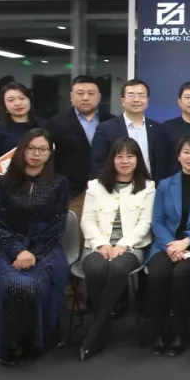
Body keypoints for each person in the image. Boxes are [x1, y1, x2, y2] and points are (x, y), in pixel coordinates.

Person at [0, 128, 69, 367]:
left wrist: (34, 253)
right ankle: (9, 346)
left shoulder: (59, 183)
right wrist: (18, 250)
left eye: (42, 149)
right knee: (12, 284)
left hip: (46, 246)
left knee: (35, 285)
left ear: (50, 153)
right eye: (31, 148)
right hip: (11, 246)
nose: (36, 154)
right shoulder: (2, 182)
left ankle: (35, 344)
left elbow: (57, 227)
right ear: (22, 150)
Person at [78, 137, 156, 361]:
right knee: (95, 268)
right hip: (98, 244)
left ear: (137, 160)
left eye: (130, 156)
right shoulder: (95, 186)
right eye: (119, 156)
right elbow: (87, 220)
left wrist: (123, 244)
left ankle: (96, 330)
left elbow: (145, 223)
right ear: (111, 159)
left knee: (119, 268)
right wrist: (101, 244)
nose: (124, 161)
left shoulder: (148, 187)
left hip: (131, 246)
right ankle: (104, 320)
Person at [47, 75, 113, 313]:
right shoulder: (55, 124)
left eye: (91, 93)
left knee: (103, 242)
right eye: (80, 93)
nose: (86, 98)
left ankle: (101, 296)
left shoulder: (111, 121)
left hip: (106, 191)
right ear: (71, 96)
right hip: (73, 192)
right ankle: (72, 296)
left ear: (99, 97)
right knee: (74, 243)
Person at [146, 134, 190, 356]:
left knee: (181, 275)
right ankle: (158, 332)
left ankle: (180, 333)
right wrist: (171, 245)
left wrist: (186, 241)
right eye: (186, 152)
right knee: (158, 274)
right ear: (178, 156)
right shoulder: (165, 185)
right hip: (165, 244)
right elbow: (157, 221)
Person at [91, 79, 166, 181]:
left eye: (141, 95)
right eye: (131, 95)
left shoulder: (158, 129)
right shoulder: (106, 129)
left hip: (149, 187)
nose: (136, 99)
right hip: (116, 187)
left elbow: (161, 164)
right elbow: (98, 164)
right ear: (123, 101)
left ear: (147, 101)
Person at [0, 82, 44, 174]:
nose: (18, 103)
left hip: (41, 180)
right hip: (8, 180)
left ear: (29, 100)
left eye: (22, 98)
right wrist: (8, 171)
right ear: (4, 104)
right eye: (11, 100)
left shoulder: (44, 126)